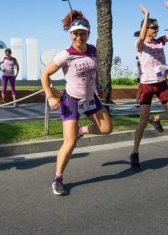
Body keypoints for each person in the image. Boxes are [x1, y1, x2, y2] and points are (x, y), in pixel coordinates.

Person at [41, 10, 112, 195]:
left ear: (88, 34)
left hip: (90, 99)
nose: (79, 37)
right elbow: (45, 74)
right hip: (71, 101)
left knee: (106, 129)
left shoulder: (93, 50)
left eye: (83, 33)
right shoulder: (66, 55)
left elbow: (94, 70)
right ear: (71, 35)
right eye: (76, 33)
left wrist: (98, 85)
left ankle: (83, 130)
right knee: (70, 143)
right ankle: (58, 178)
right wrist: (50, 96)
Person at [131, 2, 168, 172]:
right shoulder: (140, 45)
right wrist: (146, 16)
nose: (156, 30)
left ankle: (157, 119)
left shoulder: (160, 42)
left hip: (161, 84)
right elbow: (141, 36)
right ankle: (135, 153)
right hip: (147, 86)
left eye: (157, 27)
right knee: (143, 121)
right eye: (153, 27)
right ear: (145, 28)